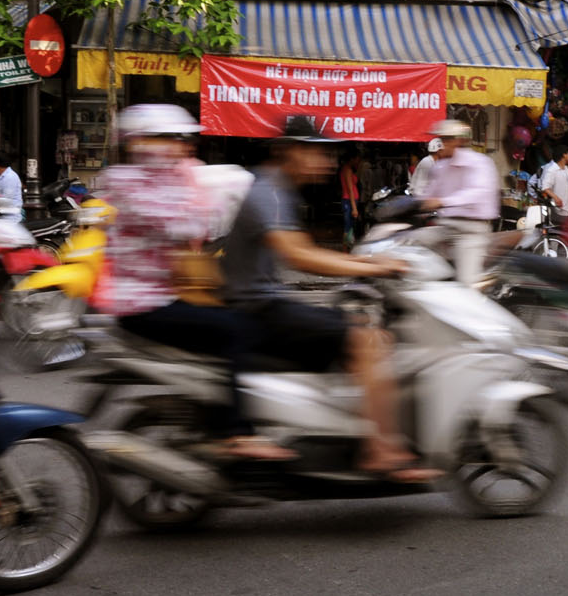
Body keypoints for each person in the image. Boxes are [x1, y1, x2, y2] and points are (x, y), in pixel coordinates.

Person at [220, 121, 438, 481]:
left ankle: (347, 433)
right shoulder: (269, 193)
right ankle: (381, 452)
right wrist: (373, 266)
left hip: (263, 304)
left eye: (326, 153)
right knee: (366, 340)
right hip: (258, 309)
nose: (326, 161)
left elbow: (302, 250)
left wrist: (370, 264)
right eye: (316, 151)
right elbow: (299, 255)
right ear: (287, 151)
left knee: (376, 336)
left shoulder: (279, 190)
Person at [99, 104, 285, 459]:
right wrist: (197, 194)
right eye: (169, 138)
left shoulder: (165, 178)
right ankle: (236, 432)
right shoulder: (126, 182)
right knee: (236, 329)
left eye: (181, 139)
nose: (180, 146)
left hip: (165, 293)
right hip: (141, 304)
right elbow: (186, 225)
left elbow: (204, 219)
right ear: (139, 142)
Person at [419, 120, 500, 285]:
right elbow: (429, 194)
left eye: (447, 139)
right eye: (443, 139)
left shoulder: (480, 163)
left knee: (466, 282)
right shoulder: (440, 167)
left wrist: (443, 202)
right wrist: (413, 205)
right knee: (409, 246)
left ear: (460, 140)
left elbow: (477, 192)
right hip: (444, 226)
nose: (443, 143)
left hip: (470, 231)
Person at [537, 145, 568, 224]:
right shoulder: (551, 170)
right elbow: (545, 187)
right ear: (564, 155)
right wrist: (556, 198)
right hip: (560, 210)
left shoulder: (566, 169)